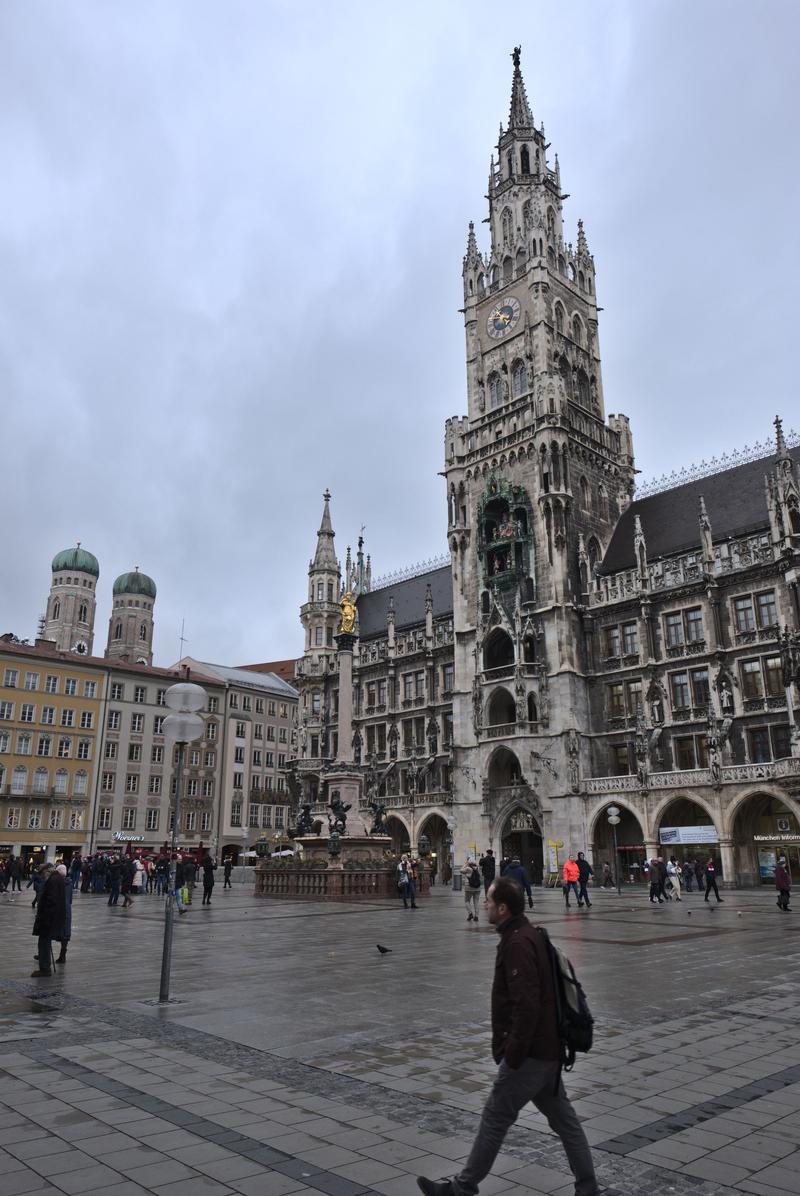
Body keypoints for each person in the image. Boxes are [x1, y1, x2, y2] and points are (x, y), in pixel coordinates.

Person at [416, 877, 599, 1196]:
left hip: (530, 1054)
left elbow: (526, 1004)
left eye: (488, 901)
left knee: (495, 1117)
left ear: (502, 908)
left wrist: (512, 1053)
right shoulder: (531, 934)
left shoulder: (517, 943)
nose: (484, 905)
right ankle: (588, 1187)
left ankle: (462, 1187)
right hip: (547, 1048)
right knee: (565, 1122)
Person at [31, 863, 66, 977]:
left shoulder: (52, 881)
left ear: (47, 871)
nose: (41, 877)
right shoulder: (58, 878)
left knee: (44, 942)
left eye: (41, 874)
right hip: (55, 917)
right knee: (45, 942)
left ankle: (45, 968)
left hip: (49, 918)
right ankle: (45, 966)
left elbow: (52, 901)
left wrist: (46, 918)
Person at [54, 864, 73, 964]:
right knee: (65, 934)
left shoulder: (57, 882)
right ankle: (62, 955)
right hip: (67, 909)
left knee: (48, 933)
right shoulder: (70, 882)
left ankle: (43, 955)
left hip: (59, 908)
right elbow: (70, 899)